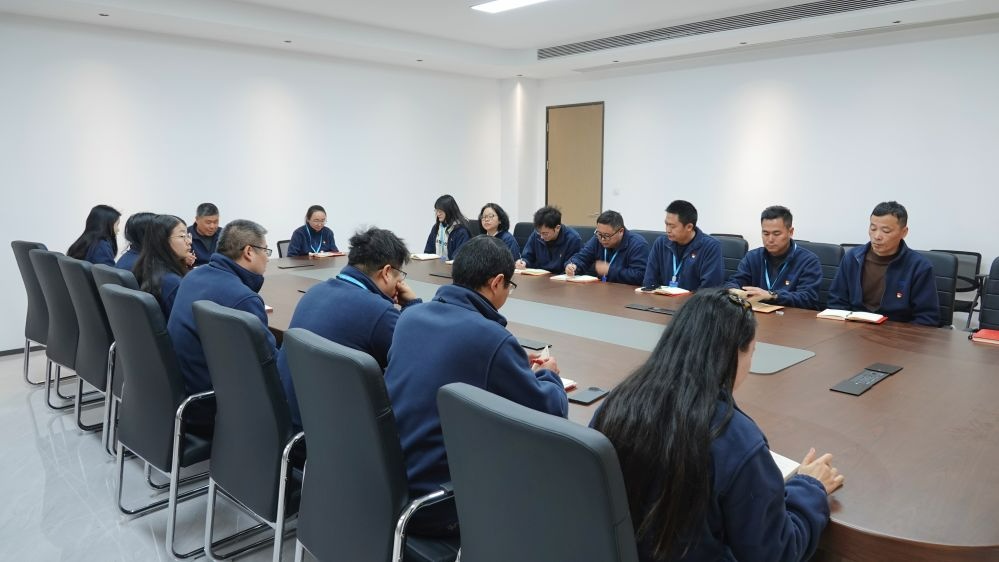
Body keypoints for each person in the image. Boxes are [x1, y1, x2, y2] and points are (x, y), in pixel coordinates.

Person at [591, 289, 844, 561]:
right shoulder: (735, 438)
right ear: (735, 354)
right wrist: (809, 487)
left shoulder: (617, 403)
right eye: (752, 352)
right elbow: (777, 552)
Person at [385, 235, 568, 537]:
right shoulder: (491, 338)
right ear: (497, 282)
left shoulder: (410, 317)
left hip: (389, 482)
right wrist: (550, 376)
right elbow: (549, 413)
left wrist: (510, 360)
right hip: (438, 501)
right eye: (509, 286)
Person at [276, 227, 421, 431]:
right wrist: (413, 305)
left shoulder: (314, 292)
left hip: (292, 421)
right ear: (387, 272)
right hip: (336, 432)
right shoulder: (378, 312)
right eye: (400, 277)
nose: (400, 283)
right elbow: (418, 360)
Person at [167, 219, 275, 427]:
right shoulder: (243, 299)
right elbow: (268, 368)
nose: (267, 258)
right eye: (265, 251)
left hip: (183, 393)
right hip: (212, 405)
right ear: (249, 252)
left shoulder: (193, 277)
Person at [827, 201, 939, 326]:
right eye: (873, 228)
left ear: (904, 232)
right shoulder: (852, 257)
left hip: (896, 332)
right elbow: (836, 301)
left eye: (886, 231)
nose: (877, 236)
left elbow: (926, 318)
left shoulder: (919, 266)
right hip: (853, 328)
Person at [724, 206, 822, 309]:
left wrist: (773, 295)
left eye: (776, 234)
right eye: (765, 233)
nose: (770, 239)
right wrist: (733, 290)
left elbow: (808, 298)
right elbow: (734, 282)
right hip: (756, 314)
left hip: (791, 316)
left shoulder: (808, 261)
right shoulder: (752, 257)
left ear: (790, 232)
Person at [643, 200, 723, 291]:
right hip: (661, 298)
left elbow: (709, 290)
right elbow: (649, 282)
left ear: (689, 227)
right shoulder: (661, 243)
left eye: (672, 226)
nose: (668, 230)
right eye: (666, 224)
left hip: (694, 300)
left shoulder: (711, 246)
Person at [565, 210, 649, 285]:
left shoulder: (638, 244)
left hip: (626, 293)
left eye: (607, 236)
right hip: (601, 289)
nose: (602, 239)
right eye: (599, 234)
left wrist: (610, 270)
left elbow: (640, 276)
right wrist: (573, 265)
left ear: (621, 231)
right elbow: (582, 257)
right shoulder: (597, 239)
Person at [133, 214, 192, 318]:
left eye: (188, 235)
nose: (189, 241)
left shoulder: (145, 266)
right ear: (163, 240)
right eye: (182, 236)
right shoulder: (173, 282)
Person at [515, 205, 582, 273]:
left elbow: (572, 265)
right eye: (539, 232)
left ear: (557, 228)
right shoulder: (536, 234)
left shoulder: (572, 239)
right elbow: (527, 256)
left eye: (545, 233)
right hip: (539, 276)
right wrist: (523, 262)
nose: (541, 237)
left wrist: (570, 269)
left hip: (560, 277)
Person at [423, 194, 471, 260]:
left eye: (440, 211)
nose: (438, 214)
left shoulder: (461, 231)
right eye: (436, 211)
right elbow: (428, 251)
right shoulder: (436, 227)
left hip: (450, 266)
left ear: (449, 211)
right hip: (435, 264)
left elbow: (458, 259)